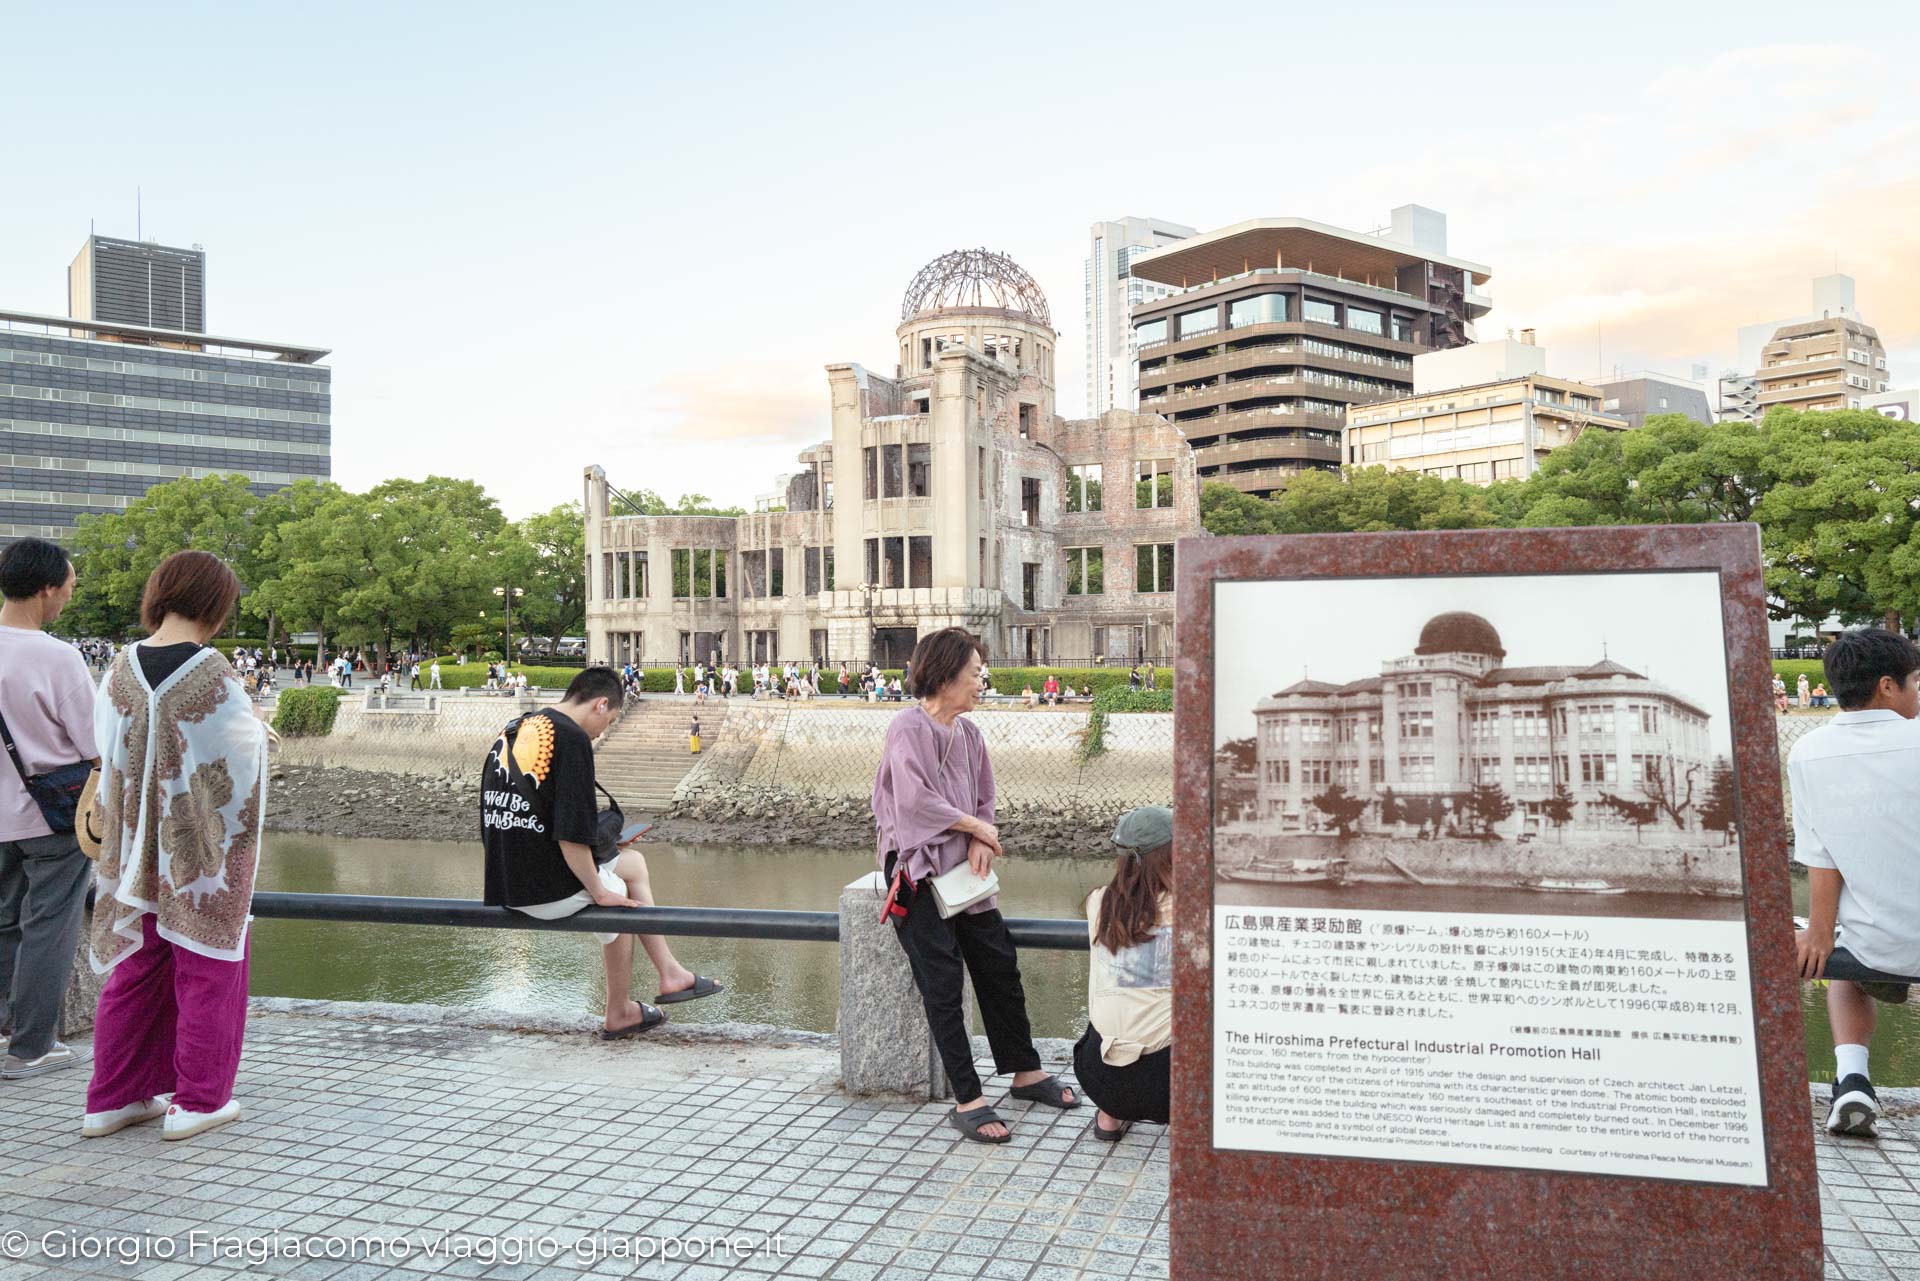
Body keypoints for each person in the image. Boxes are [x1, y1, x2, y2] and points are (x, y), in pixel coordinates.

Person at [85, 551, 272, 1141]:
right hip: (198, 853)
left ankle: (112, 1098)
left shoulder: (118, 668)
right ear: (216, 604)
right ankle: (197, 1101)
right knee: (210, 962)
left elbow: (103, 747)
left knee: (135, 966)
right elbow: (242, 756)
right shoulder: (214, 673)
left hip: (131, 846)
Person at [871, 627, 1076, 1143]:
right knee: (941, 984)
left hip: (967, 870)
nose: (981, 681)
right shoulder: (906, 728)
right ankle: (970, 1097)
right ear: (944, 676)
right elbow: (912, 804)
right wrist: (976, 828)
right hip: (917, 873)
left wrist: (983, 836)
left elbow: (984, 796)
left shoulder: (970, 734)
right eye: (974, 673)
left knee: (998, 964)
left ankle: (1025, 1071)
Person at [481, 668, 720, 1037]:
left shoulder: (514, 729)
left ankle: (671, 972)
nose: (603, 731)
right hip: (542, 890)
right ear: (601, 703)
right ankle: (620, 1010)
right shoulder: (572, 738)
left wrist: (603, 852)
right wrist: (599, 890)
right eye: (608, 721)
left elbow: (507, 813)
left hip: (503, 881)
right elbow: (570, 834)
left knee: (633, 864)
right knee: (618, 899)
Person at [1791, 629, 1920, 1138]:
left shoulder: (1807, 753)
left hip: (1877, 949)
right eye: (1915, 681)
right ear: (1888, 686)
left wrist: (1820, 933)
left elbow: (1820, 857)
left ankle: (1852, 1081)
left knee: (1841, 958)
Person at [0, 539, 100, 1082]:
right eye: (68, 587)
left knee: (3, 923)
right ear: (45, 588)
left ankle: (3, 1031)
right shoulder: (57, 657)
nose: (67, 596)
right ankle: (31, 1046)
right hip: (50, 817)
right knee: (48, 927)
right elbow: (96, 745)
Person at [1075, 806, 1174, 1141]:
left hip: (1099, 1078)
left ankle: (1109, 1118)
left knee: (1112, 1005)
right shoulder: (1195, 907)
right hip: (1169, 1088)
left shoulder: (1098, 903)